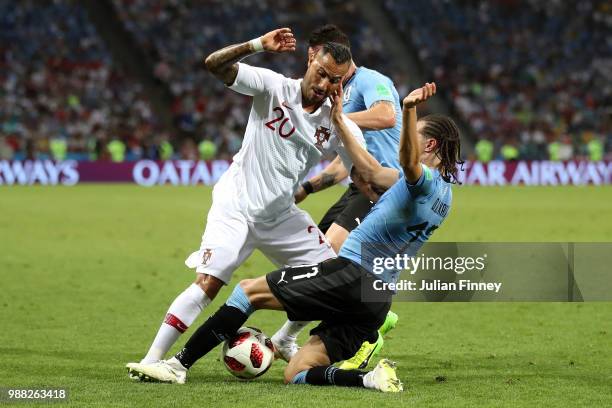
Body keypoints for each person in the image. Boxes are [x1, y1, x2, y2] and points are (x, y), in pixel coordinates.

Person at [125, 82, 463, 393]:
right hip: (376, 298)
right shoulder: (443, 197)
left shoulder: (424, 180)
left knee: (248, 292)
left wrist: (407, 108)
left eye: (413, 134)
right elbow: (372, 172)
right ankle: (369, 379)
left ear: (430, 144)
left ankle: (176, 365)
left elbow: (406, 163)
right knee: (297, 372)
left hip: (353, 275)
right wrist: (339, 119)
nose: (406, 136)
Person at [126, 28, 366, 375]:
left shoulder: (334, 120)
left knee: (330, 282)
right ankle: (151, 362)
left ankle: (284, 339)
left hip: (280, 215)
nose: (325, 84)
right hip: (236, 205)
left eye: (335, 81)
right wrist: (255, 46)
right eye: (322, 74)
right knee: (209, 283)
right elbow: (214, 65)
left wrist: (342, 123)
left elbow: (360, 165)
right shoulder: (273, 86)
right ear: (311, 60)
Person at [271, 24, 402, 370]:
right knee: (319, 261)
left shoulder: (370, 81)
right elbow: (346, 163)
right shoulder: (335, 93)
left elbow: (388, 115)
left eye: (317, 55)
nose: (314, 63)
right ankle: (289, 338)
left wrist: (337, 117)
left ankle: (368, 332)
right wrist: (306, 188)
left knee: (330, 257)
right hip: (355, 188)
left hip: (383, 190)